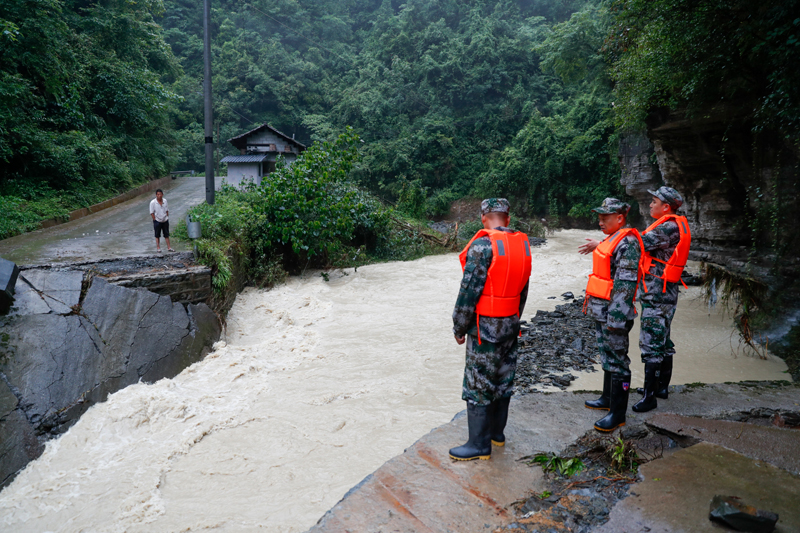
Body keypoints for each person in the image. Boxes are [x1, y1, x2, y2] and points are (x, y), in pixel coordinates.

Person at [450, 198, 532, 461]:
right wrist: (515, 317)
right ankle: (497, 435)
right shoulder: (522, 244)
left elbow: (468, 291)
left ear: (484, 218)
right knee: (503, 379)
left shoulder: (483, 244)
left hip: (485, 328)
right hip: (510, 323)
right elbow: (523, 288)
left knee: (478, 384)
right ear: (507, 218)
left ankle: (478, 445)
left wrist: (459, 326)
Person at [581, 198, 642, 432]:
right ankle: (607, 399)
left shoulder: (628, 244)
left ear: (620, 218)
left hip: (614, 315)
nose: (600, 222)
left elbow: (625, 287)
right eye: (599, 218)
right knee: (607, 356)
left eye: (605, 218)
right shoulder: (612, 240)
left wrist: (616, 321)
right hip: (602, 311)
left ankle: (618, 414)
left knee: (618, 362)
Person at [631, 186, 691, 413]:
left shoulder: (667, 228)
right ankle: (661, 388)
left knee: (652, 343)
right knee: (663, 339)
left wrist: (603, 244)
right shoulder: (674, 225)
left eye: (654, 201)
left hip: (658, 294)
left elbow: (636, 245)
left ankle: (649, 397)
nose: (650, 204)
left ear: (666, 207)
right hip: (664, 292)